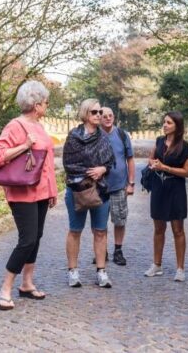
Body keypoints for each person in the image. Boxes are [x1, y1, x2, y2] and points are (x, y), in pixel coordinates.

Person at [0, 80, 58, 310]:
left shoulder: (39, 126)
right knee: (27, 239)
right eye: (46, 103)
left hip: (41, 192)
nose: (47, 106)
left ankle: (27, 284)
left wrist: (52, 190)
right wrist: (25, 145)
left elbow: (47, 162)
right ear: (37, 104)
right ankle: (4, 289)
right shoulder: (15, 126)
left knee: (36, 237)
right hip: (22, 192)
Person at [62, 99, 116, 288]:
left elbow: (110, 161)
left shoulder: (103, 138)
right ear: (85, 114)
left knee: (100, 231)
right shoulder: (74, 136)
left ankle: (101, 271)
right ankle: (73, 271)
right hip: (78, 190)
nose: (99, 115)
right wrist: (89, 172)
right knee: (75, 230)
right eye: (95, 112)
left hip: (100, 189)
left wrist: (102, 169)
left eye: (100, 112)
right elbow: (68, 164)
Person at [144, 111, 188, 282]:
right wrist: (153, 164)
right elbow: (150, 159)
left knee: (178, 229)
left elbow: (187, 172)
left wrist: (165, 168)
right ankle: (156, 264)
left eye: (169, 123)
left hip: (176, 189)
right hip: (159, 187)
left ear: (177, 126)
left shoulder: (185, 147)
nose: (165, 125)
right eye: (164, 122)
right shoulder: (159, 141)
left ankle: (180, 268)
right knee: (158, 228)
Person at [100, 107, 136, 266]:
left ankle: (118, 250)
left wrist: (131, 183)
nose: (108, 118)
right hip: (99, 187)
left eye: (110, 115)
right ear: (99, 118)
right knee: (100, 222)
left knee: (120, 220)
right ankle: (102, 251)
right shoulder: (95, 135)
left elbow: (130, 159)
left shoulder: (122, 135)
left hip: (119, 186)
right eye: (105, 116)